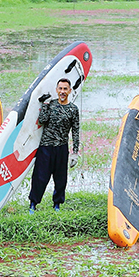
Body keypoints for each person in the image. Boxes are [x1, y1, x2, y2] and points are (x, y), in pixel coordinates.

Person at [28, 78, 80, 213]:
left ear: (70, 90)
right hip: (46, 146)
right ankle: (33, 203)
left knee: (61, 178)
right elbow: (42, 120)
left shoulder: (73, 109)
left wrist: (75, 152)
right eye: (60, 89)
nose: (62, 92)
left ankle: (57, 204)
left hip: (61, 148)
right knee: (40, 176)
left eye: (65, 89)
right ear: (57, 90)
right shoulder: (50, 104)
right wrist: (44, 104)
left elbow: (75, 131)